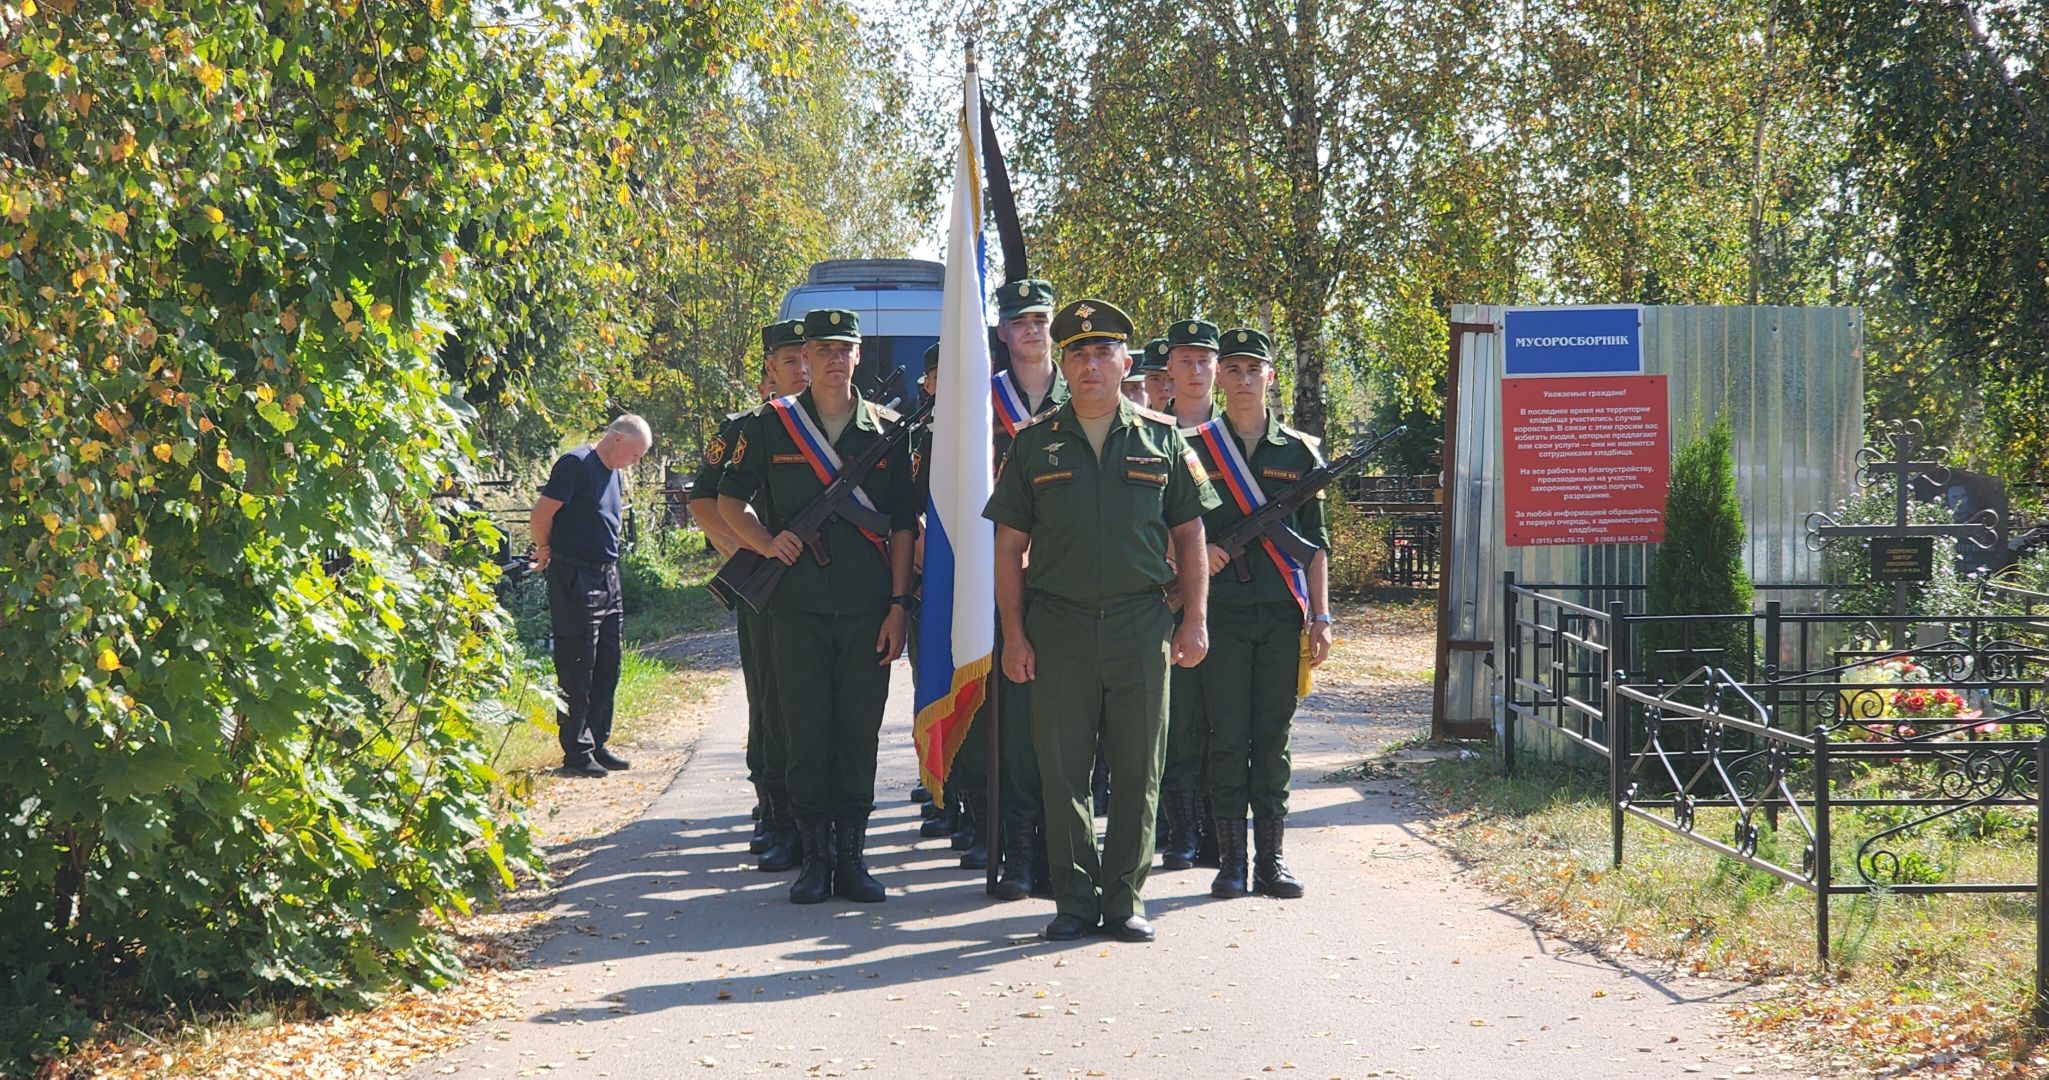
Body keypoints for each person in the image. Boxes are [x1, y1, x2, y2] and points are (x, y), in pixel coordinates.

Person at [984, 298, 1219, 943]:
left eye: (1102, 352)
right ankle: (1074, 899)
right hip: (1056, 625)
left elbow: (1191, 534)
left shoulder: (1164, 440)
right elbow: (1008, 547)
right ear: (1064, 364)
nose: (1090, 364)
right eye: (1078, 353)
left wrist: (1194, 619)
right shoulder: (1033, 444)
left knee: (1139, 764)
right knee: (1062, 770)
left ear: (1125, 362)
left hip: (1141, 625)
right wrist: (1014, 633)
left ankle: (1124, 899)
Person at [717, 308, 919, 905]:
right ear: (804, 357)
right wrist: (763, 542)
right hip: (795, 610)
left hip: (865, 610)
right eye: (822, 348)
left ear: (858, 357)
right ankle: (813, 861)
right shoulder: (772, 426)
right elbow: (729, 501)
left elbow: (904, 527)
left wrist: (899, 605)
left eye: (844, 348)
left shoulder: (887, 430)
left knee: (858, 733)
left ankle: (853, 859)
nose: (833, 358)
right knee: (804, 732)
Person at [1193, 327, 1332, 899]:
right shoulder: (1196, 448)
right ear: (1219, 378)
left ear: (1271, 378)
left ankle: (1271, 860)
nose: (1245, 379)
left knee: (1272, 737)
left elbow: (1316, 544)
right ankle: (1231, 861)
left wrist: (1322, 617)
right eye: (1235, 369)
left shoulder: (1299, 452)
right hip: (1220, 613)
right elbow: (1175, 532)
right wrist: (1203, 556)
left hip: (1280, 616)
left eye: (1256, 369)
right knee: (1227, 736)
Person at [961, 278, 1067, 897]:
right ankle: (1018, 850)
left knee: (1066, 721)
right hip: (995, 575)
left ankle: (1063, 847)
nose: (1031, 329)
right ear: (1001, 332)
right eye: (1018, 320)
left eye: (1040, 318)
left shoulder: (1081, 391)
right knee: (1012, 721)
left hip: (1063, 573)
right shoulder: (978, 403)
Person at [691, 319, 809, 870]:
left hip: (816, 588)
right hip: (765, 586)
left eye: (808, 360)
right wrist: (746, 553)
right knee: (768, 696)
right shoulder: (744, 429)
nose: (803, 370)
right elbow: (704, 501)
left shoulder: (838, 426)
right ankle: (772, 806)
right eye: (791, 361)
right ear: (770, 369)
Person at [530, 415, 655, 777]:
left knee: (608, 665)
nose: (636, 462)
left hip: (607, 577)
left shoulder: (613, 471)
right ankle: (576, 751)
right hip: (575, 576)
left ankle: (597, 741)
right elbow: (542, 512)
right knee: (578, 664)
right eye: (635, 454)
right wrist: (544, 547)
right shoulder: (576, 464)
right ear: (617, 439)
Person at [1158, 318, 1222, 869]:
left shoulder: (1236, 435)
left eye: (1205, 361)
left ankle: (1218, 830)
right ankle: (1178, 830)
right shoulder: (1151, 433)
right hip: (1169, 595)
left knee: (1221, 722)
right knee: (1177, 721)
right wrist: (1183, 559)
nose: (1196, 371)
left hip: (1233, 604)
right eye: (1186, 361)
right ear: (1169, 371)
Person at [1139, 337, 1173, 408]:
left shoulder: (1200, 418)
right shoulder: (1134, 419)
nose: (1164, 387)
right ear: (1145, 383)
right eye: (1155, 379)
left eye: (1172, 379)